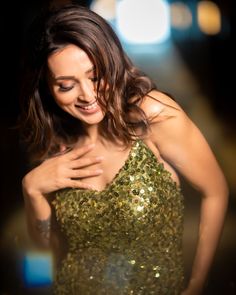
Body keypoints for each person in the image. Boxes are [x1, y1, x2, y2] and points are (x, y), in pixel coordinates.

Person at [19, 4, 228, 295]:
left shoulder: (153, 116)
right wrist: (32, 190)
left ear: (111, 61)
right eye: (66, 85)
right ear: (48, 89)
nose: (88, 95)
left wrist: (196, 283)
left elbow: (216, 190)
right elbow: (48, 254)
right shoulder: (54, 145)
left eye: (95, 76)